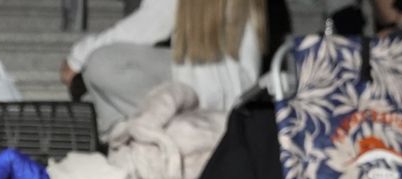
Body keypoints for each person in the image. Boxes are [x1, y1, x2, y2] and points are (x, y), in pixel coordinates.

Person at [62, 0, 267, 139]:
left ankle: (135, 145)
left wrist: (76, 58)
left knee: (100, 63)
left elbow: (150, 21)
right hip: (236, 99)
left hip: (203, 98)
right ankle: (131, 144)